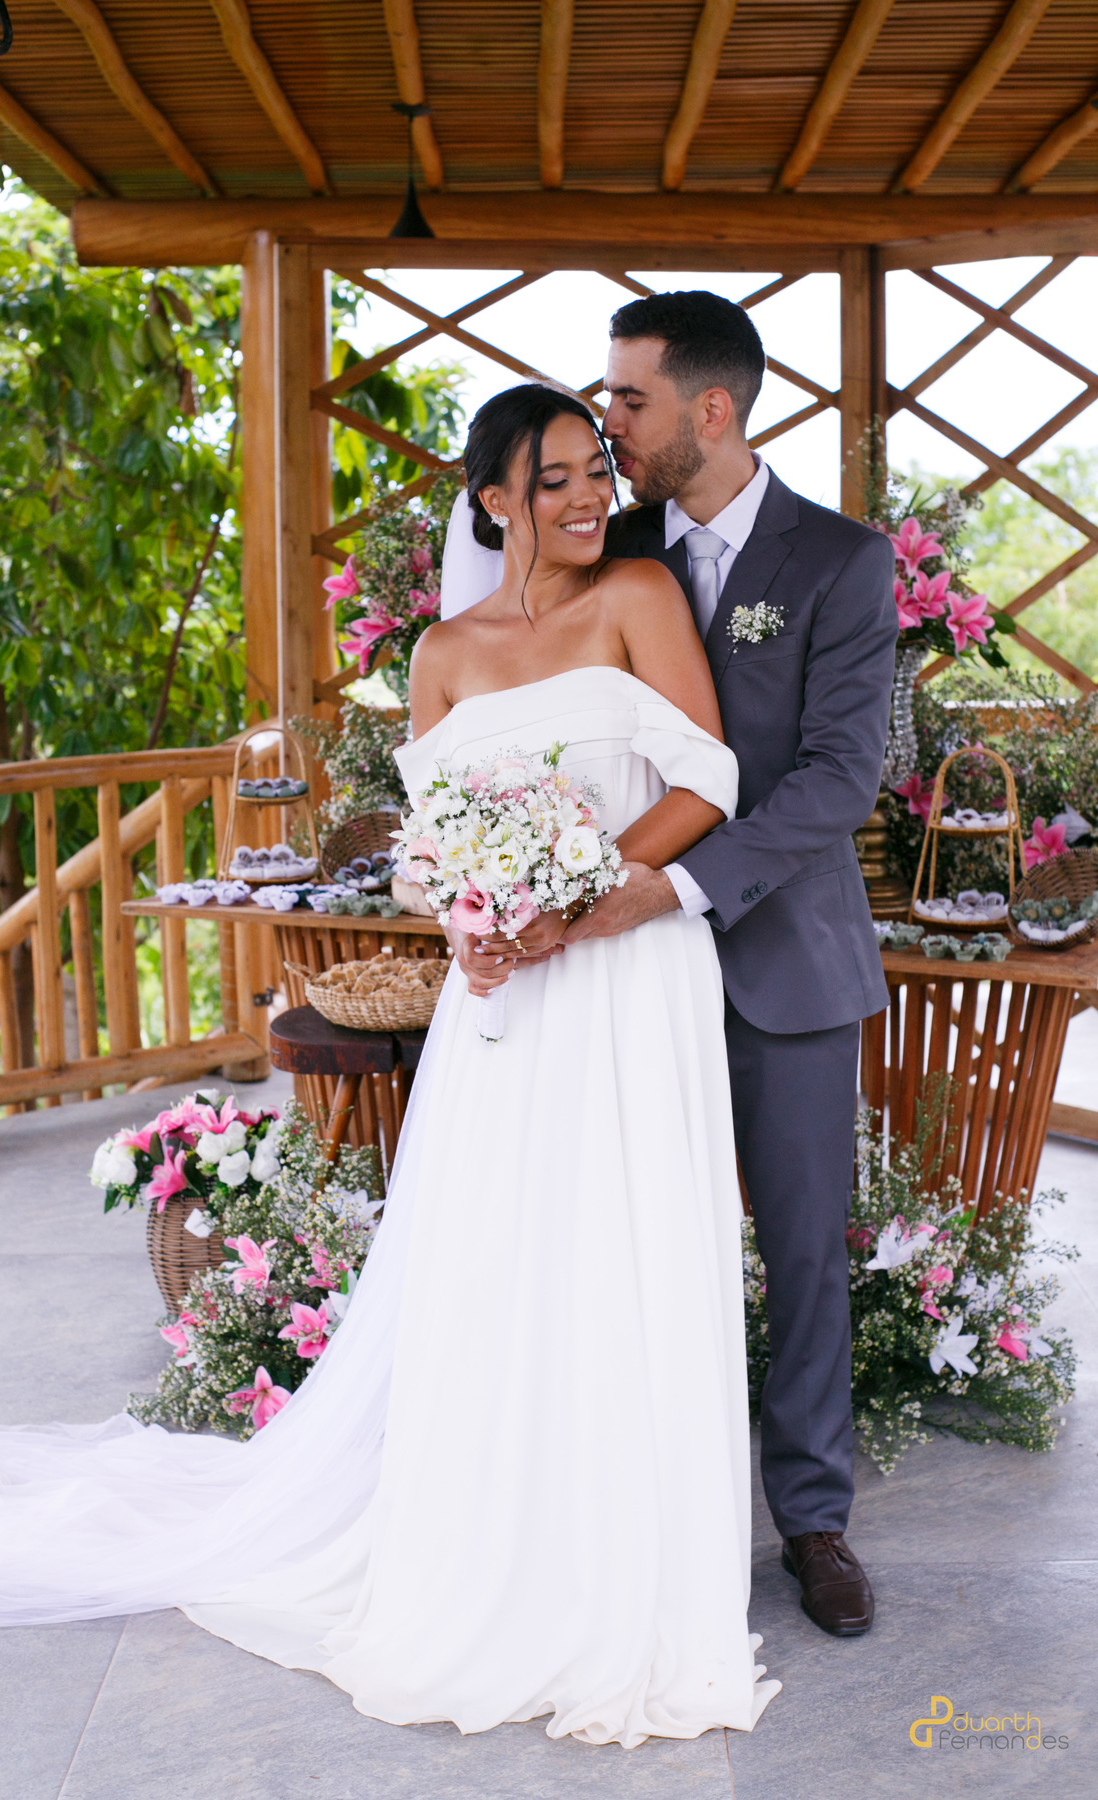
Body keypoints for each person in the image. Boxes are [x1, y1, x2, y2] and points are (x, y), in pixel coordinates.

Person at [0, 384, 779, 1750]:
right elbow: (434, 849)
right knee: (503, 1257)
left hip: (625, 971)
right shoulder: (442, 653)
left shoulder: (639, 597)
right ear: (491, 499)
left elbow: (709, 781)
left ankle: (633, 1564)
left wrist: (577, 893)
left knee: (629, 1241)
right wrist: (475, 919)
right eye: (552, 479)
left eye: (594, 471)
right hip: (508, 999)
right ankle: (499, 1542)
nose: (586, 497)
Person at [586, 291, 896, 1636]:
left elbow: (839, 777)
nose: (609, 423)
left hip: (787, 961)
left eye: (629, 399)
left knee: (805, 1250)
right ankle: (644, 1509)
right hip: (618, 967)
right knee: (634, 1237)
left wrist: (676, 885)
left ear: (711, 409)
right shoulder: (608, 549)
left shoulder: (843, 561)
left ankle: (814, 1523)